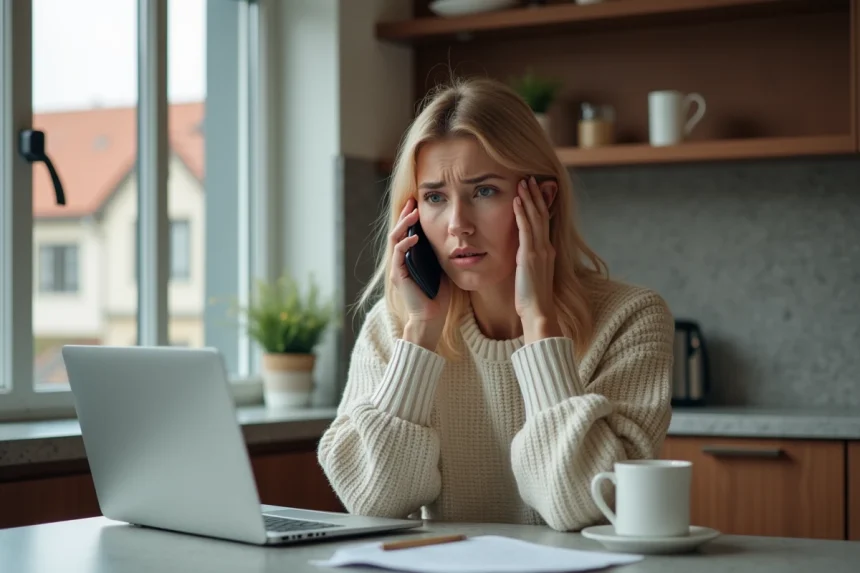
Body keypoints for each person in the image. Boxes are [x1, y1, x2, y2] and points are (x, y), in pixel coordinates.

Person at [317, 76, 674, 532]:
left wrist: (539, 324)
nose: (457, 224)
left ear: (543, 200)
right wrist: (421, 333)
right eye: (434, 198)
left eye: (484, 191)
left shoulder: (631, 318)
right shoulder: (393, 325)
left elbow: (585, 507)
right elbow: (373, 502)